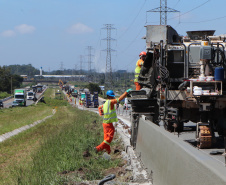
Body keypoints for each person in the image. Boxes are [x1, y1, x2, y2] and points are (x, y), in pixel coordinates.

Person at [95, 88, 132, 154]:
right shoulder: (110, 102)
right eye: (112, 97)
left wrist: (101, 113)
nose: (113, 98)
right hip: (108, 124)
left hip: (105, 123)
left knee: (106, 139)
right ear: (109, 97)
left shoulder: (105, 103)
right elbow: (119, 99)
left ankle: (108, 152)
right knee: (109, 138)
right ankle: (98, 148)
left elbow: (99, 107)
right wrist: (126, 92)